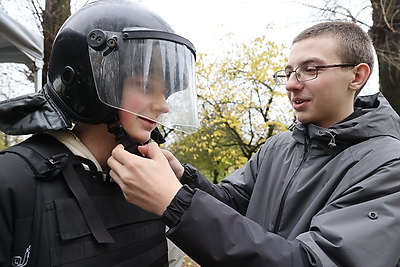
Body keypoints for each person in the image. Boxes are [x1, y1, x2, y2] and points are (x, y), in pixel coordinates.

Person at [107, 21, 400, 267]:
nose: (291, 84)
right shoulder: (279, 146)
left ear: (357, 77)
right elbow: (234, 204)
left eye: (310, 70)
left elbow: (313, 261)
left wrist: (175, 202)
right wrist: (183, 179)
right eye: (288, 72)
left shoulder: (388, 166)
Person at [0, 0, 197, 266]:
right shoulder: (12, 180)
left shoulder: (152, 185)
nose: (163, 105)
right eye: (146, 85)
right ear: (92, 85)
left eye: (165, 92)